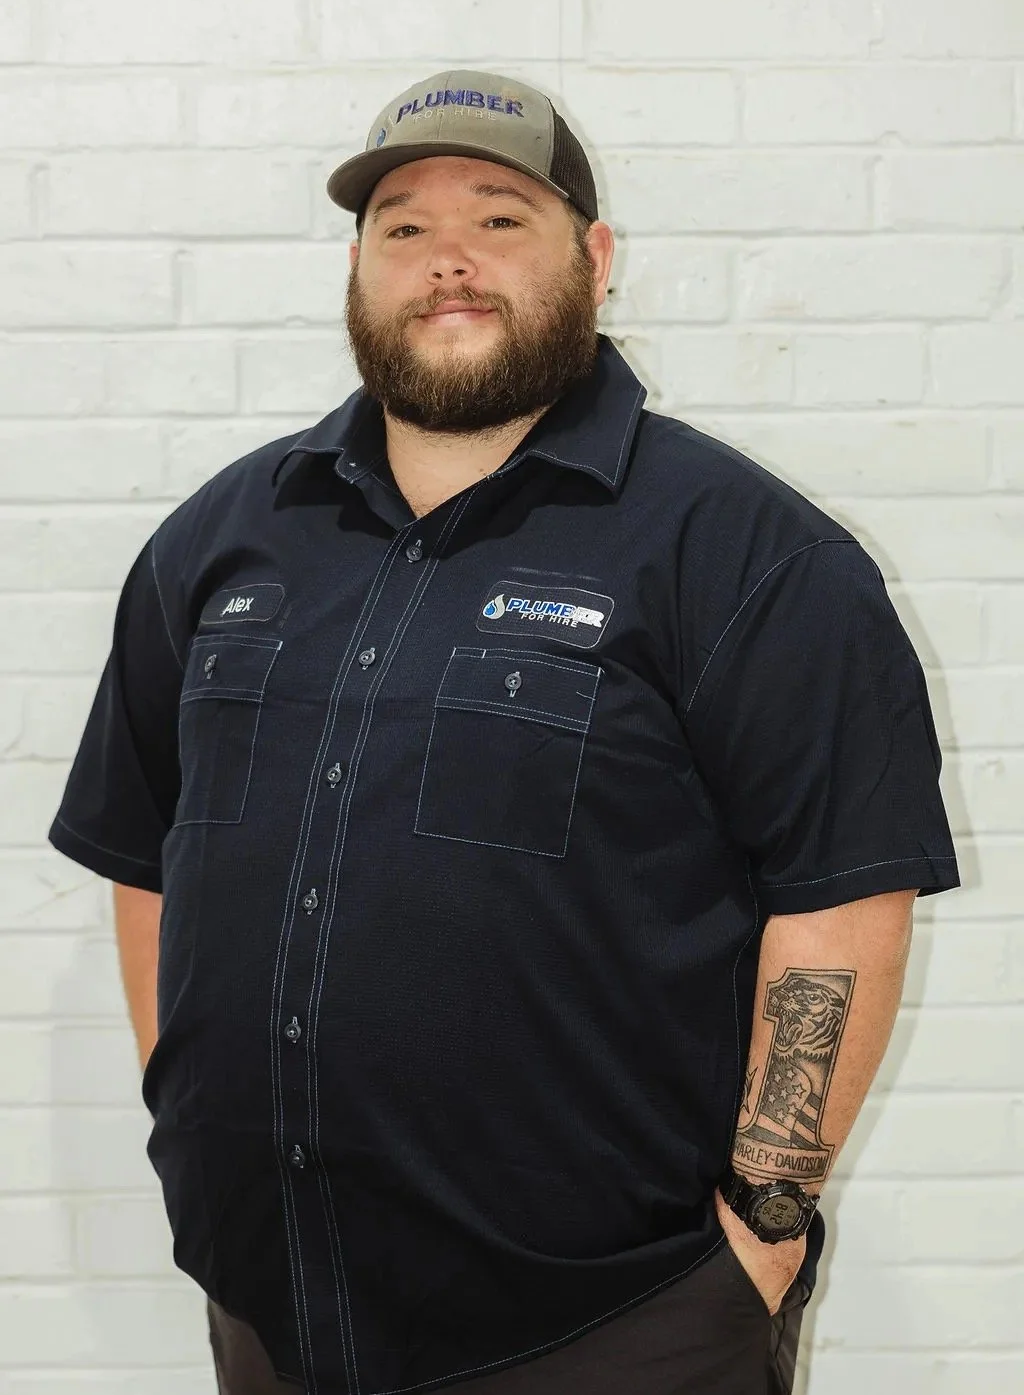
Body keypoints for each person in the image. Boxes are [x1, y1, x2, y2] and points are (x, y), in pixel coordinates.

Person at [48, 68, 960, 1395]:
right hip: (274, 1310)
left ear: (596, 258)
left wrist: (764, 1229)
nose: (448, 260)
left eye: (498, 218)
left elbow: (841, 896)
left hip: (614, 1328)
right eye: (404, 227)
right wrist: (194, 1123)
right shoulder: (222, 541)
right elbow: (150, 860)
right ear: (356, 269)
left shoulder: (745, 552)